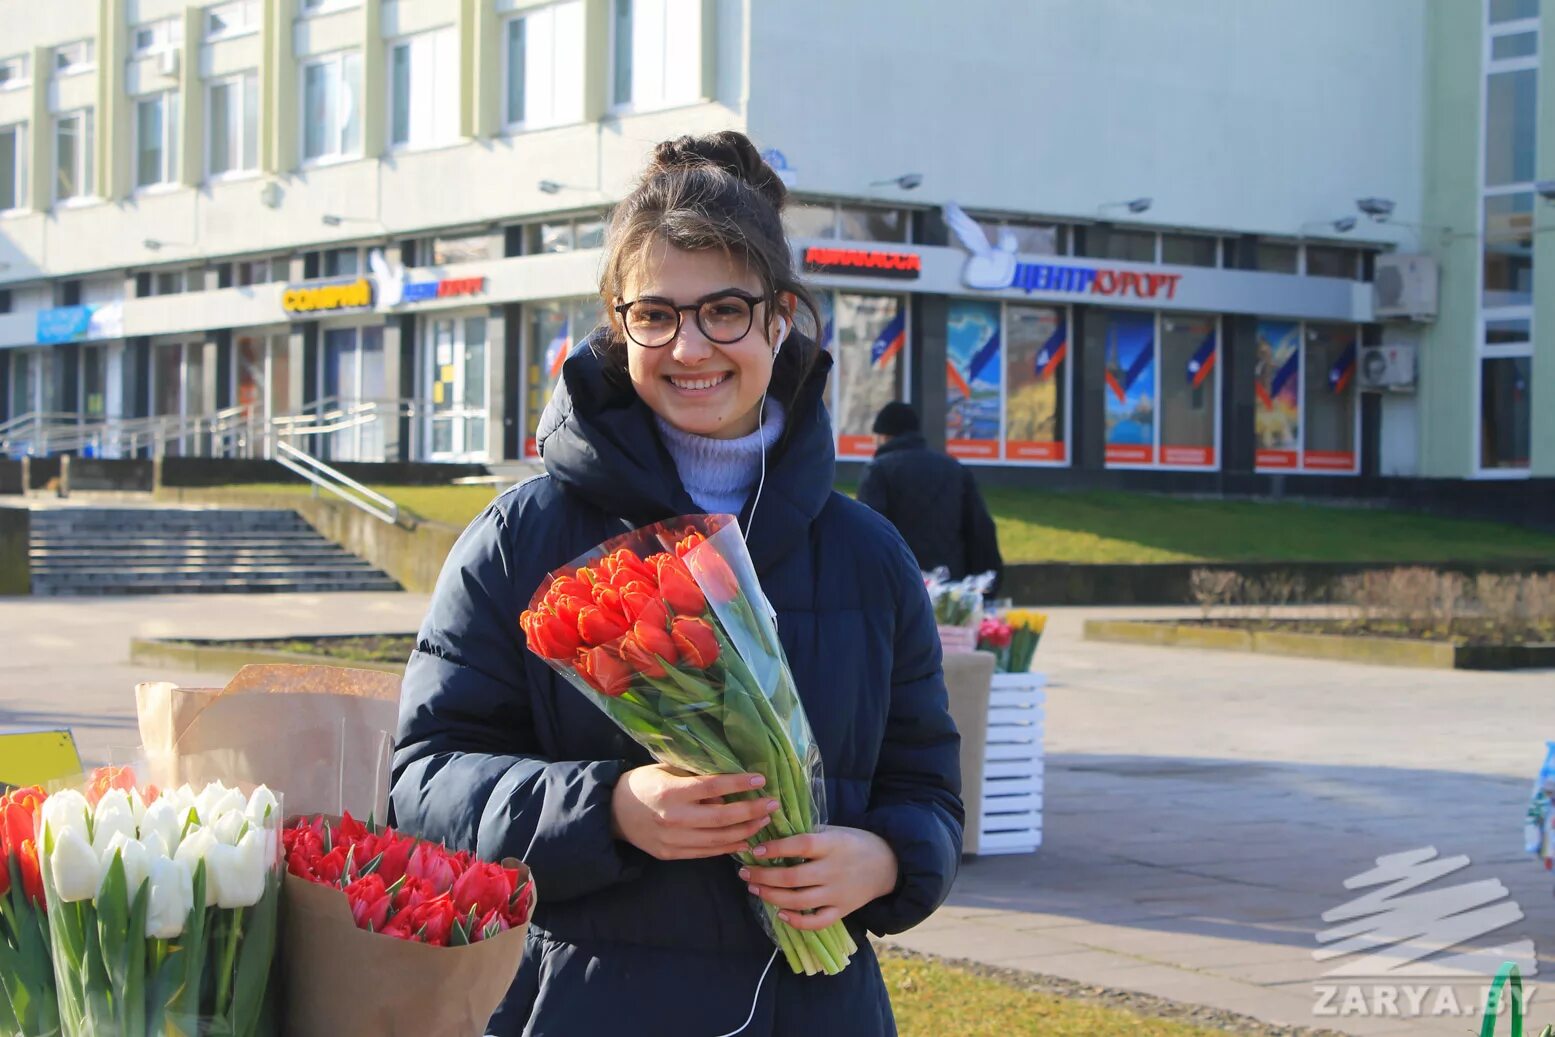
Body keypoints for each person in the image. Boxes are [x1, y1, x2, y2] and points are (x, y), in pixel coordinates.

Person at [390, 131, 961, 1037]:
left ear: (780, 319)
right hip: (587, 1005)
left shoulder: (867, 554)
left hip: (815, 1010)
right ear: (618, 329)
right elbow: (422, 782)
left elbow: (927, 788)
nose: (690, 345)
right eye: (654, 314)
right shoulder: (521, 538)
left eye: (724, 310)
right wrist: (608, 809)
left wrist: (886, 857)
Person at [857, 401, 1004, 590]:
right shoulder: (955, 469)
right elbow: (980, 530)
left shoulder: (879, 471)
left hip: (900, 588)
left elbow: (869, 533)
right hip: (952, 589)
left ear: (884, 436)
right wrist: (987, 582)